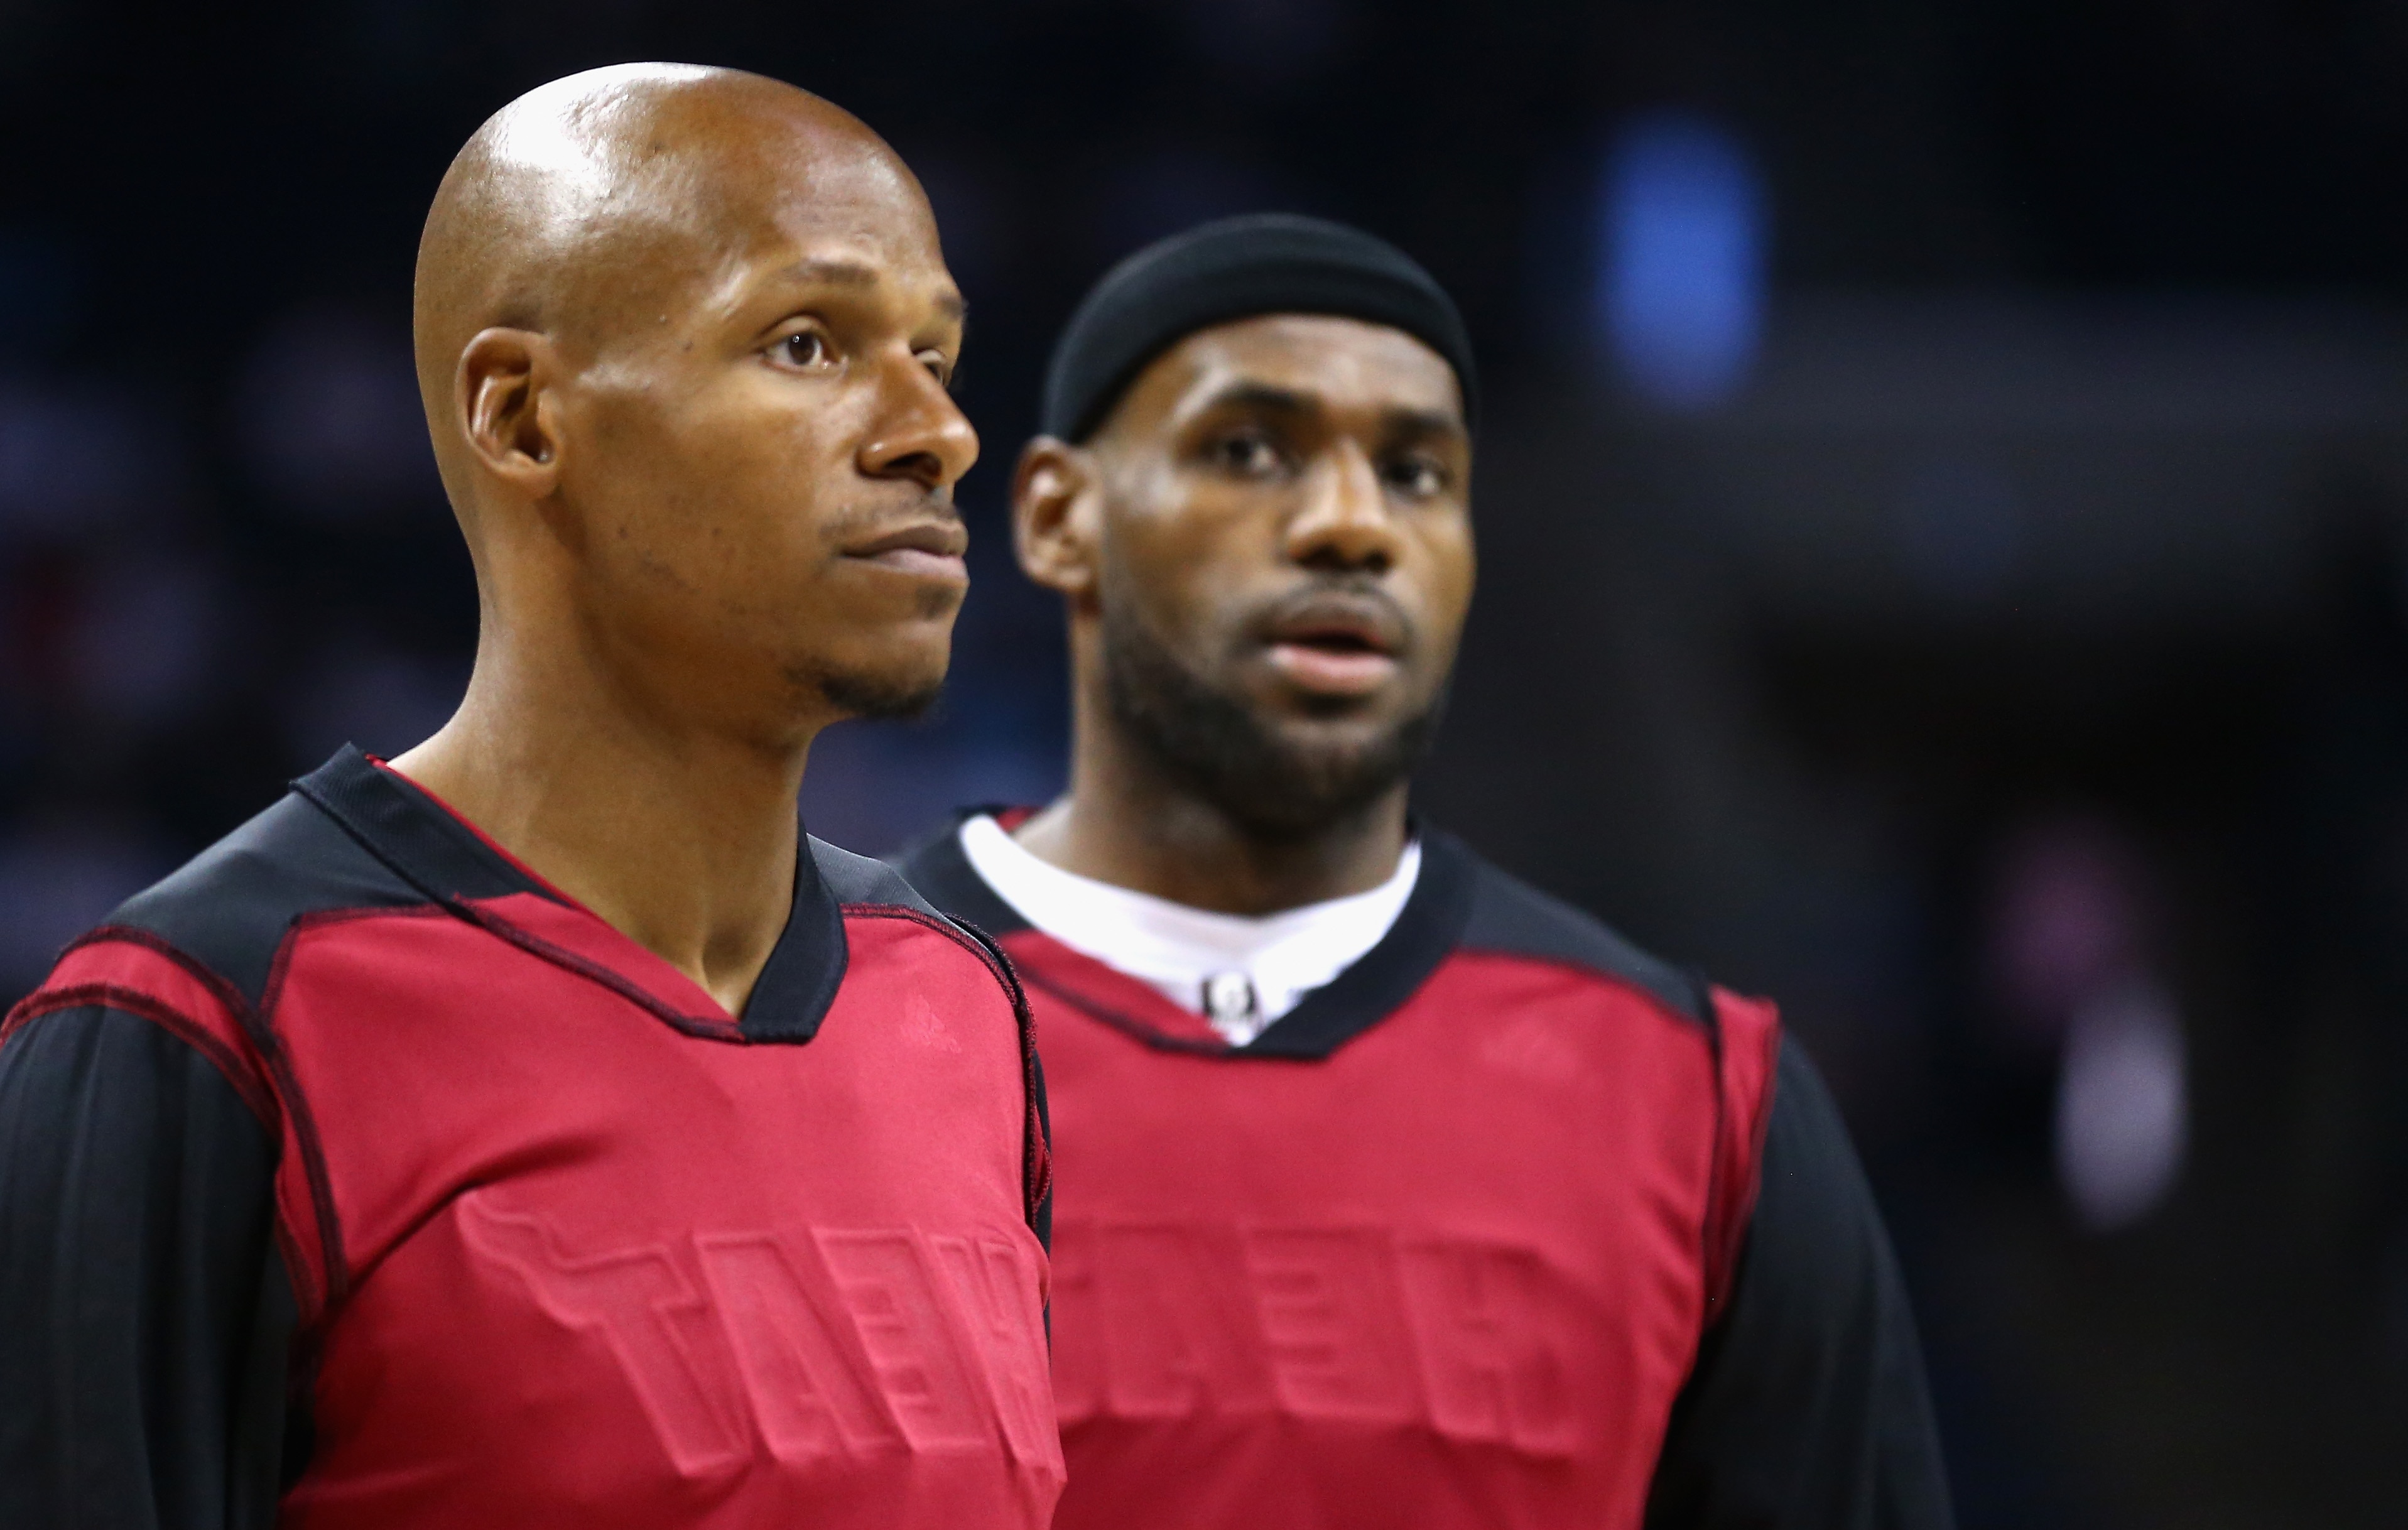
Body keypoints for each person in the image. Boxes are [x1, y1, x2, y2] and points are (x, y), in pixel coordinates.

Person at [0, 65, 1060, 1529]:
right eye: (808, 343)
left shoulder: (965, 1008)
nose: (933, 433)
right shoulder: (200, 1028)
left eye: (936, 357)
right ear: (522, 417)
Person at [894, 214, 1955, 1529]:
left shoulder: (1703, 1106)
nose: (1351, 526)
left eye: (1414, 474)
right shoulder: (783, 1036)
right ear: (1060, 518)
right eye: (1249, 451)